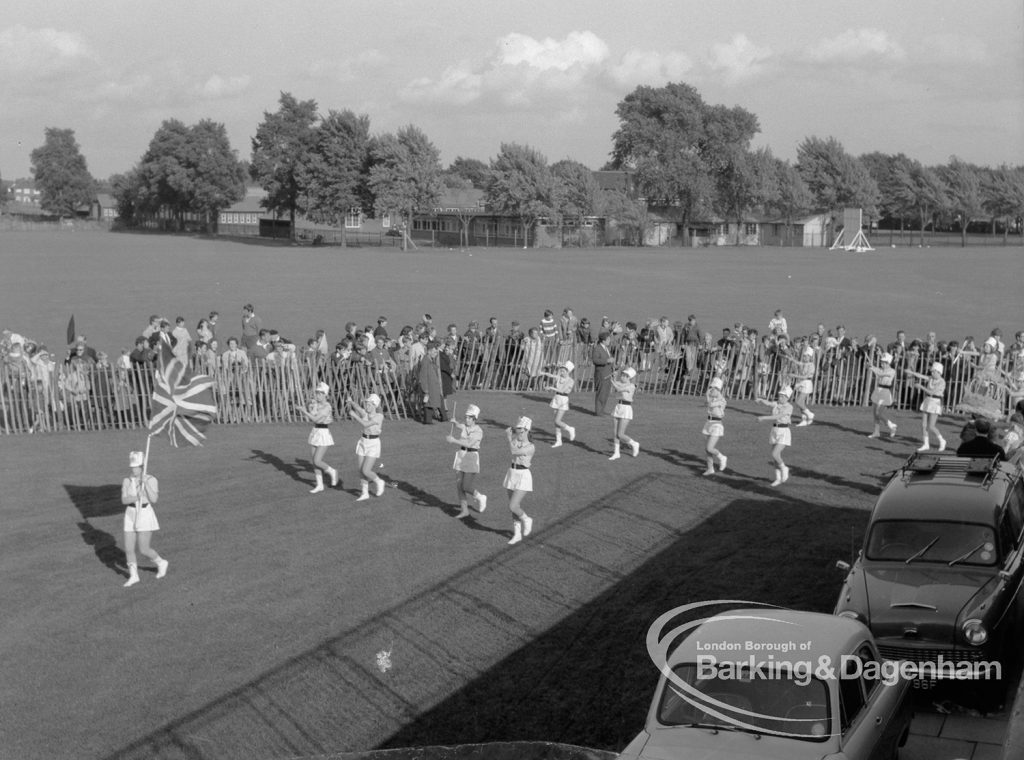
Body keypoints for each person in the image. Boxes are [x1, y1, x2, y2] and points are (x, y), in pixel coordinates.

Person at [121, 450, 169, 588]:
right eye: (132, 467)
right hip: (130, 513)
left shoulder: (151, 479)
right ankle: (134, 576)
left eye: (136, 467)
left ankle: (161, 562)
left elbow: (154, 499)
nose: (133, 469)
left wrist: (145, 485)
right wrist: (136, 496)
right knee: (129, 548)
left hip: (144, 513)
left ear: (142, 466)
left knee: (144, 549)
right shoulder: (127, 480)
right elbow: (124, 500)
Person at [446, 403, 487, 518]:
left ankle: (480, 497)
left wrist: (454, 440)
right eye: (466, 417)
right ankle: (465, 511)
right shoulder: (465, 426)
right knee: (459, 486)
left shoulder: (478, 431)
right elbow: (460, 426)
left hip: (471, 457)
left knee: (466, 486)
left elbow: (469, 443)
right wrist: (455, 423)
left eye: (469, 418)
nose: (467, 420)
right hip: (461, 455)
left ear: (475, 419)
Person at [297, 381, 339, 493]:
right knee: (313, 461)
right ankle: (319, 485)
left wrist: (304, 411)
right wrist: (309, 408)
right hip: (315, 431)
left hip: (323, 433)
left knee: (317, 460)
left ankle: (332, 471)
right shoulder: (316, 404)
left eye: (320, 393)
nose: (318, 396)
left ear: (326, 394)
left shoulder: (327, 406)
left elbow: (316, 419)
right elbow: (313, 417)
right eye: (317, 393)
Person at [346, 393, 386, 501]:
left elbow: (365, 424)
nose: (366, 406)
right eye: (366, 404)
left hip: (373, 444)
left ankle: (379, 481)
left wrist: (354, 416)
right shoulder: (365, 413)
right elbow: (358, 408)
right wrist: (351, 402)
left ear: (375, 406)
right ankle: (365, 493)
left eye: (369, 404)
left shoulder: (379, 416)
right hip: (363, 441)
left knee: (366, 470)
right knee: (360, 470)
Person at [504, 416, 536, 545]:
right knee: (514, 508)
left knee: (512, 505)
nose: (519, 434)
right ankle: (517, 534)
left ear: (528, 431)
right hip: (512, 473)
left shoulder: (531, 447)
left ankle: (527, 519)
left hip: (523, 475)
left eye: (522, 432)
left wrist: (508, 437)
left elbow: (513, 450)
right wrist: (513, 433)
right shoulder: (517, 439)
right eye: (518, 431)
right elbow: (514, 445)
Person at [756, 385, 794, 487]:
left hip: (783, 431)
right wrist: (761, 400)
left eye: (782, 396)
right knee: (775, 458)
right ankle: (778, 478)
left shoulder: (789, 407)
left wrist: (764, 418)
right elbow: (768, 403)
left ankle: (784, 468)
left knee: (775, 454)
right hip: (775, 430)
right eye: (779, 396)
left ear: (787, 398)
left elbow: (778, 416)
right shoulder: (777, 404)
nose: (780, 398)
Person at [911, 361, 947, 452]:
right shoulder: (931, 378)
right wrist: (911, 373)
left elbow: (932, 392)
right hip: (927, 401)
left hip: (935, 402)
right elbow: (921, 376)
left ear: (939, 372)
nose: (932, 373)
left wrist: (920, 387)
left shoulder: (942, 382)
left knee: (931, 426)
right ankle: (926, 444)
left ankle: (942, 440)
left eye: (934, 371)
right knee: (924, 425)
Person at [541, 360, 577, 447]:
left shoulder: (571, 381)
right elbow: (551, 375)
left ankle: (570, 429)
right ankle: (558, 441)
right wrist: (543, 373)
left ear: (568, 372)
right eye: (561, 371)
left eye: (563, 371)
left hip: (563, 400)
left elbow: (562, 391)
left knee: (557, 420)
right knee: (556, 422)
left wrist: (551, 388)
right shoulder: (559, 377)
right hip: (556, 398)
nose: (561, 372)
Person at [608, 366, 640, 460]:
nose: (622, 377)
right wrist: (613, 377)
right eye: (622, 375)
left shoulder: (632, 386)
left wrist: (612, 381)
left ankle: (634, 444)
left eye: (625, 376)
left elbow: (618, 389)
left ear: (629, 378)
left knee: (620, 434)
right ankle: (616, 453)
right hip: (618, 407)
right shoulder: (620, 383)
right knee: (615, 433)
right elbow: (616, 384)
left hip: (626, 408)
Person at [868, 352, 898, 438]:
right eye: (881, 362)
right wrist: (870, 366)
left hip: (885, 393)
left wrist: (873, 368)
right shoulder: (881, 369)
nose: (881, 364)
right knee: (875, 413)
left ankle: (891, 426)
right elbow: (878, 370)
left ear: (888, 363)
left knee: (878, 413)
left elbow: (880, 374)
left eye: (883, 362)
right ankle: (876, 432)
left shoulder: (892, 371)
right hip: (878, 390)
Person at [702, 376, 728, 475]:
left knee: (709, 448)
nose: (711, 390)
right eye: (711, 388)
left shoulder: (722, 400)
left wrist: (707, 396)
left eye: (713, 388)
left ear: (718, 390)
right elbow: (708, 404)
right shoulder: (713, 398)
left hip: (717, 425)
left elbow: (711, 405)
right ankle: (710, 468)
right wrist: (709, 396)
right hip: (708, 423)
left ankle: (722, 457)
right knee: (707, 449)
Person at [417, 341, 444, 424]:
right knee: (428, 403)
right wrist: (425, 389)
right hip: (429, 387)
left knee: (431, 402)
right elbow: (423, 376)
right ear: (429, 351)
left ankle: (430, 420)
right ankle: (427, 421)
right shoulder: (425, 361)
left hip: (433, 386)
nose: (435, 354)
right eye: (434, 352)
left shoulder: (430, 360)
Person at [789, 347, 816, 426]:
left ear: (810, 357)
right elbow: (798, 362)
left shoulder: (811, 365)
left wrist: (794, 375)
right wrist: (791, 359)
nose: (804, 358)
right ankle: (804, 420)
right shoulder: (804, 363)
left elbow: (805, 377)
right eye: (804, 356)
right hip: (803, 383)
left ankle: (810, 414)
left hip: (807, 384)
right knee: (801, 402)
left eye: (806, 356)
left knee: (798, 402)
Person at [592, 331, 613, 415]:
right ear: (603, 340)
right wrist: (607, 360)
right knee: (601, 393)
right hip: (601, 375)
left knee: (605, 393)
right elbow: (595, 360)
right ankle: (598, 412)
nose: (609, 341)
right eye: (608, 339)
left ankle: (601, 410)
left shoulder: (606, 348)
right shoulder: (597, 348)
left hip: (607, 374)